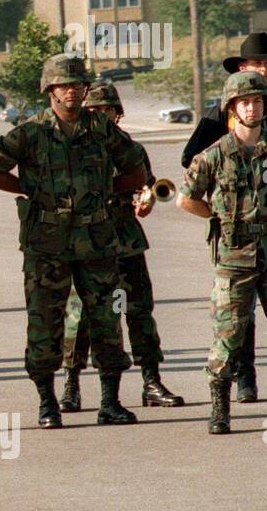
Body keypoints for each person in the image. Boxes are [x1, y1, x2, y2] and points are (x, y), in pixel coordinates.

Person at [0, 54, 148, 428]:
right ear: (50, 90)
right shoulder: (29, 132)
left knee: (107, 319)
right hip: (46, 243)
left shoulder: (101, 129)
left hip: (97, 241)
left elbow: (135, 167)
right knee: (45, 323)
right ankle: (48, 403)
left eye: (77, 85)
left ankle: (110, 402)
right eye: (64, 85)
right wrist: (30, 190)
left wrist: (107, 191)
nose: (72, 91)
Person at [176, 71, 267, 433]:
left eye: (256, 101)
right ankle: (220, 407)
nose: (251, 107)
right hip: (234, 258)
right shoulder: (214, 155)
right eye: (244, 102)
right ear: (232, 109)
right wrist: (220, 219)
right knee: (228, 334)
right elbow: (186, 199)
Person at [60, 82, 184, 411]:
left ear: (118, 113)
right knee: (80, 316)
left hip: (126, 241)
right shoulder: (73, 148)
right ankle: (71, 382)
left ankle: (151, 381)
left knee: (140, 312)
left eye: (108, 110)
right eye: (95, 110)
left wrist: (146, 202)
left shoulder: (130, 148)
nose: (103, 115)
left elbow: (148, 185)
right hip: (85, 245)